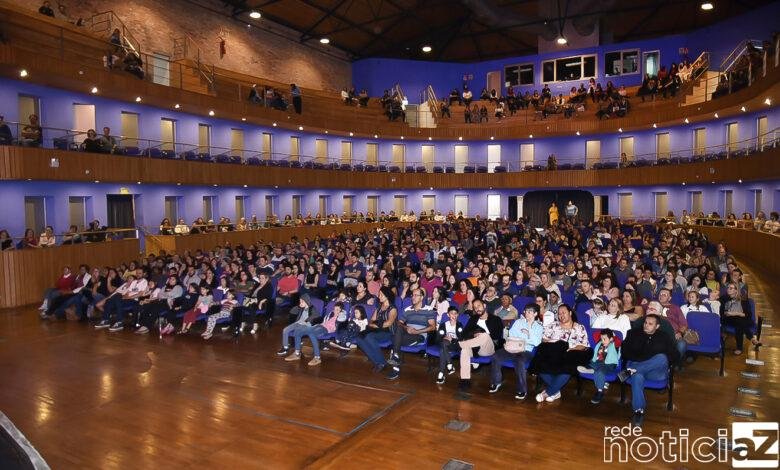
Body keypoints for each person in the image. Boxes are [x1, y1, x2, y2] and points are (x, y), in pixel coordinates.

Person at [619, 314, 680, 427]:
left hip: (655, 373)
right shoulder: (633, 333)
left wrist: (664, 360)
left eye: (650, 324)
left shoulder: (664, 337)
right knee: (637, 376)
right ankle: (638, 411)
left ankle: (631, 371)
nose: (646, 325)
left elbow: (675, 355)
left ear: (657, 326)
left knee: (662, 358)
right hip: (636, 365)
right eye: (645, 323)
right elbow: (625, 351)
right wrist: (639, 360)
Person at [533, 304, 590, 403]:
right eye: (559, 314)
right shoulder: (553, 325)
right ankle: (555, 391)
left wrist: (572, 349)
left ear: (570, 313)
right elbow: (544, 339)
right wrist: (553, 343)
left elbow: (583, 345)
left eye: (564, 313)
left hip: (570, 354)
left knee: (568, 368)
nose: (561, 315)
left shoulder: (579, 327)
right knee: (539, 365)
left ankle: (547, 393)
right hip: (553, 353)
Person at [489, 303, 544, 399]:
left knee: (519, 361)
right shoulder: (519, 322)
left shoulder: (539, 327)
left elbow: (536, 343)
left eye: (530, 312)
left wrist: (528, 333)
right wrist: (526, 337)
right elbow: (511, 334)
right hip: (512, 347)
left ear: (535, 314)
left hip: (526, 350)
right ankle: (496, 382)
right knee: (496, 356)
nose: (527, 313)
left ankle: (522, 390)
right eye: (526, 311)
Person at [386, 288, 436, 380]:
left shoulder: (428, 309)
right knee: (399, 329)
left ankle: (395, 364)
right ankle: (396, 356)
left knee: (395, 340)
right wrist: (407, 328)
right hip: (407, 333)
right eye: (412, 295)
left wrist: (417, 331)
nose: (413, 297)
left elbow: (433, 327)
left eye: (416, 295)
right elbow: (399, 322)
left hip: (419, 336)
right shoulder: (408, 309)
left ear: (422, 297)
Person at [456, 299, 503, 391]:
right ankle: (465, 379)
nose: (477, 308)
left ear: (484, 306)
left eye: (479, 306)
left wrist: (482, 334)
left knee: (484, 336)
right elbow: (464, 334)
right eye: (475, 307)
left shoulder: (495, 319)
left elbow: (497, 336)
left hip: (488, 347)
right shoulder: (473, 319)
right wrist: (474, 334)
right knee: (464, 350)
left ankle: (459, 345)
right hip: (474, 348)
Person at [355, 287, 398, 373]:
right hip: (378, 331)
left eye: (381, 295)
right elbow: (371, 320)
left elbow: (388, 323)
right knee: (359, 338)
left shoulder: (392, 308)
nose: (379, 296)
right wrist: (374, 324)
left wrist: (375, 325)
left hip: (388, 332)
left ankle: (382, 362)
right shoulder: (379, 308)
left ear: (387, 296)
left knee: (369, 336)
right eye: (379, 294)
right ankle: (376, 362)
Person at [578, 328, 620, 404]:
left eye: (604, 339)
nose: (602, 341)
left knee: (600, 371)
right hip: (597, 362)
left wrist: (613, 335)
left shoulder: (614, 345)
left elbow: (619, 341)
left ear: (611, 339)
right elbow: (595, 334)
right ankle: (591, 370)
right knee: (589, 364)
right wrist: (602, 336)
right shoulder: (600, 343)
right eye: (601, 339)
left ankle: (600, 391)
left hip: (609, 364)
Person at [720, 282, 761, 355]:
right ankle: (751, 338)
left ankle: (740, 348)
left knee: (739, 323)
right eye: (728, 288)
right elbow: (722, 312)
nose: (728, 289)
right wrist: (730, 313)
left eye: (731, 288)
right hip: (728, 319)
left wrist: (736, 313)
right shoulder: (724, 298)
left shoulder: (743, 299)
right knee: (739, 321)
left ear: (736, 290)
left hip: (743, 319)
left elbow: (748, 315)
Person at [435, 306, 465, 384]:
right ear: (448, 315)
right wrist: (444, 337)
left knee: (443, 346)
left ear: (458, 315)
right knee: (443, 346)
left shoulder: (459, 325)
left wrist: (452, 339)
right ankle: (444, 370)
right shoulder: (443, 325)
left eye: (455, 313)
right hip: (445, 345)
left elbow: (461, 339)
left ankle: (446, 368)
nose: (454, 315)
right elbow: (438, 338)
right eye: (451, 313)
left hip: (455, 346)